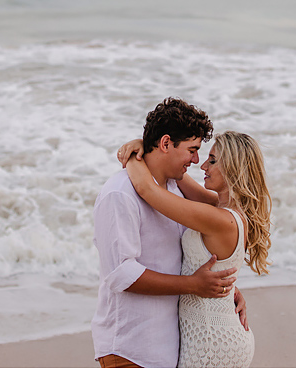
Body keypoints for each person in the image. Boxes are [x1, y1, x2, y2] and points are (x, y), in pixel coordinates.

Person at [91, 98, 247, 368]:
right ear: (166, 144)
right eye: (192, 149)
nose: (197, 160)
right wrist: (194, 286)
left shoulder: (175, 191)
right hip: (130, 348)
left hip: (169, 349)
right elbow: (120, 274)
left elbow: (195, 251)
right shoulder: (120, 194)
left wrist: (226, 288)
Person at [118, 130, 271, 368]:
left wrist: (132, 156)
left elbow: (148, 190)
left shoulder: (221, 219)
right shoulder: (220, 208)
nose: (203, 167)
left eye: (212, 160)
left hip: (211, 339)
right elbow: (175, 174)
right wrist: (150, 148)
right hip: (216, 330)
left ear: (233, 168)